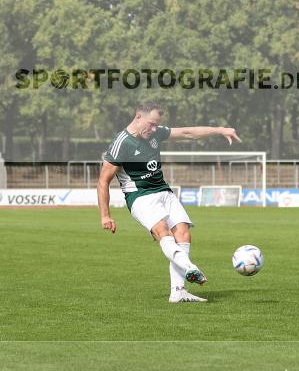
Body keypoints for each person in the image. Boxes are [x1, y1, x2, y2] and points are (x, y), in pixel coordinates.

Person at [97, 101, 241, 304]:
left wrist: (220, 130)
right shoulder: (122, 143)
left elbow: (188, 133)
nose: (154, 129)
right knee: (162, 231)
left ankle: (178, 291)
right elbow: (103, 181)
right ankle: (190, 267)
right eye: (151, 124)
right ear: (138, 117)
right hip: (140, 196)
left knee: (183, 233)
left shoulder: (155, 133)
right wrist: (105, 215)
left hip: (164, 191)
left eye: (157, 125)